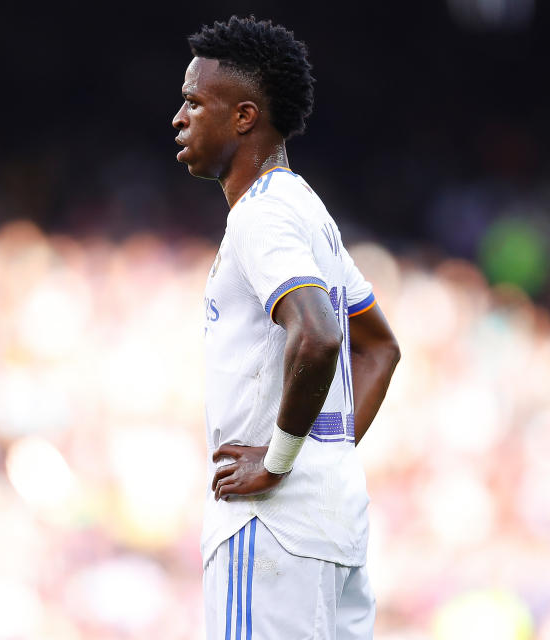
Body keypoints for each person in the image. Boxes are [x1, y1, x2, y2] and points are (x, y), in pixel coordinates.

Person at [172, 16, 401, 640]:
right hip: (331, 521)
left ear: (244, 116)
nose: (179, 117)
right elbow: (380, 347)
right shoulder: (306, 208)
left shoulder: (261, 217)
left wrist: (278, 462)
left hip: (269, 526)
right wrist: (322, 455)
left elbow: (321, 335)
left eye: (194, 102)